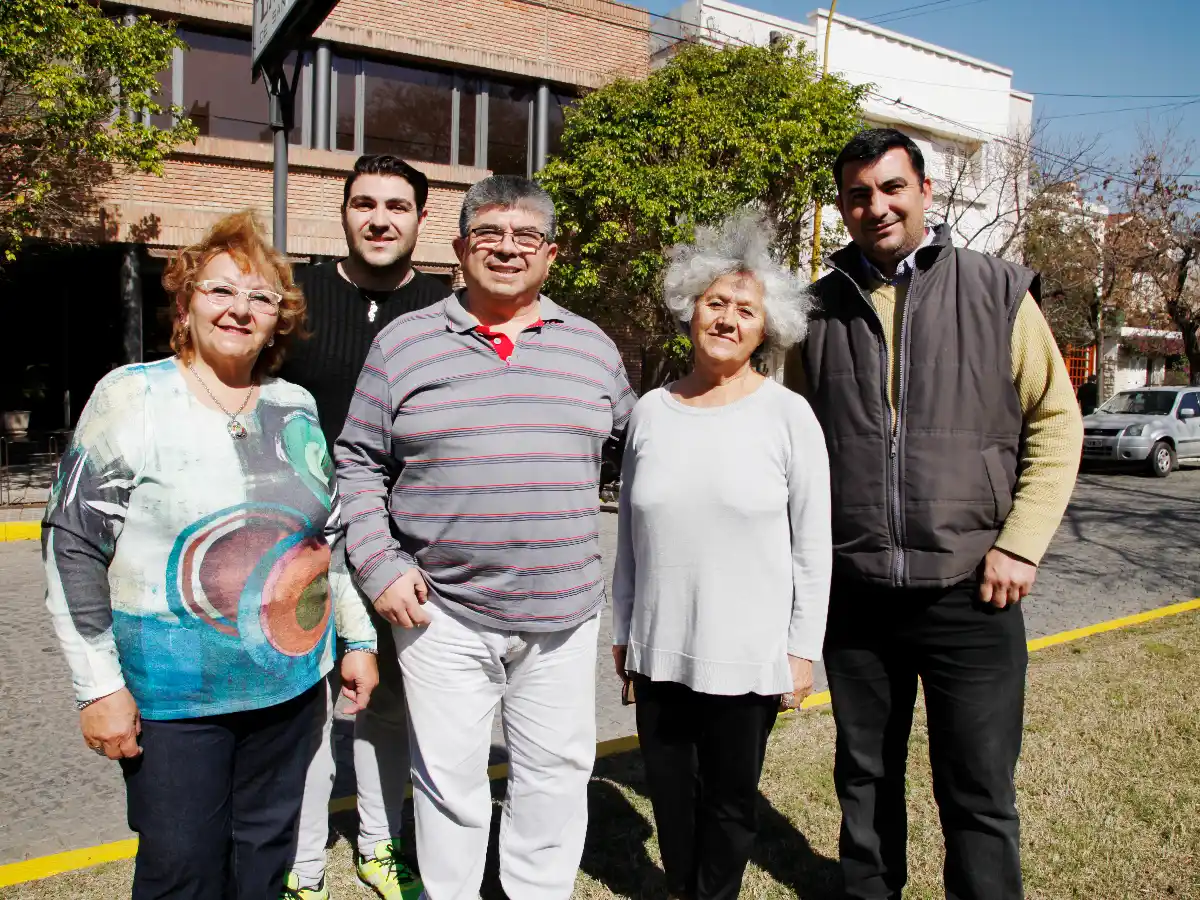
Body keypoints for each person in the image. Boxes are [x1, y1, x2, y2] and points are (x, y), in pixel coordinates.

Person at [42, 211, 379, 900]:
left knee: (263, 863)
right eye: (221, 290)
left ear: (278, 319)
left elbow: (329, 537)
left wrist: (358, 639)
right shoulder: (132, 395)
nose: (240, 309)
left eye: (261, 297)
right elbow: (71, 543)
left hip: (289, 693)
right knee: (181, 872)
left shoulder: (295, 405)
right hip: (172, 703)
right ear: (187, 299)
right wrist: (98, 687)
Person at [784, 128, 1083, 900]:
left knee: (978, 789)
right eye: (858, 194)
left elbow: (1055, 422)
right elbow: (790, 440)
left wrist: (1020, 545)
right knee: (865, 780)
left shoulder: (996, 291)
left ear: (925, 190)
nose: (875, 207)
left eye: (891, 188)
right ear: (843, 206)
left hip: (971, 591)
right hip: (858, 595)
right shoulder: (814, 309)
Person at [336, 175, 635, 900]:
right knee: (447, 785)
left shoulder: (593, 349)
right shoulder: (402, 344)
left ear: (552, 252)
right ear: (460, 248)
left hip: (563, 615)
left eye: (526, 236)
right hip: (443, 613)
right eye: (489, 235)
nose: (507, 249)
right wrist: (379, 566)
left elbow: (645, 450)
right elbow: (357, 460)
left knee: (556, 777)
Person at [611, 209, 832, 900]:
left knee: (731, 805)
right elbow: (629, 541)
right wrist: (623, 634)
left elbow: (812, 545)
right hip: (660, 649)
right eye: (716, 303)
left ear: (767, 328)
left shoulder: (788, 415)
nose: (729, 319)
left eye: (746, 309)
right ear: (690, 310)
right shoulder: (649, 410)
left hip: (747, 655)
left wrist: (802, 652)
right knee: (671, 798)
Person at [279, 154, 446, 900]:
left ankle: (382, 847)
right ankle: (303, 863)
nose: (380, 219)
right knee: (307, 705)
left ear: (420, 219)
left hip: (399, 545)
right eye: (365, 204)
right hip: (299, 539)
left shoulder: (450, 307)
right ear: (343, 212)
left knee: (388, 704)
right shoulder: (298, 297)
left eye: (398, 207)